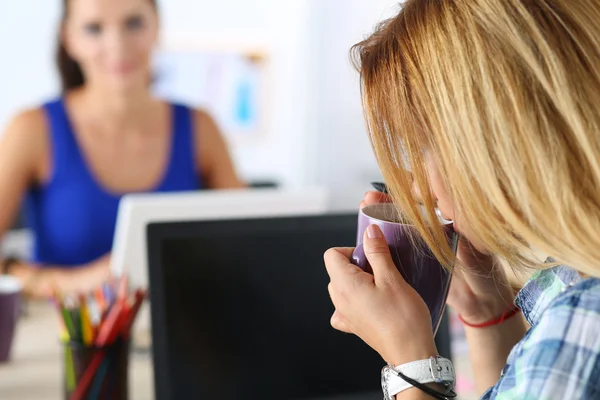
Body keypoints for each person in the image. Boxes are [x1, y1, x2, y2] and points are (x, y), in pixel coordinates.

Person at [324, 0, 600, 399]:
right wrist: (487, 311)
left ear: (496, 144)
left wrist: (409, 360)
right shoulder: (572, 288)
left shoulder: (583, 320)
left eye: (426, 151)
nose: (421, 190)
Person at [0, 0, 244, 298]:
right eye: (93, 28)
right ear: (69, 39)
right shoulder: (32, 130)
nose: (117, 45)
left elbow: (253, 241)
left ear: (157, 26)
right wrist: (71, 284)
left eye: (133, 24)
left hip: (178, 327)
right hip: (68, 335)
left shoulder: (201, 128)